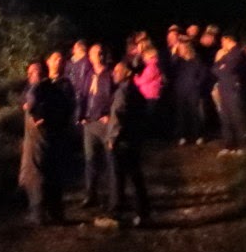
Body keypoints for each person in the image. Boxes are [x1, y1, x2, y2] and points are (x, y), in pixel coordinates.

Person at [97, 62, 152, 227]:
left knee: (117, 178)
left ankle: (115, 214)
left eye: (117, 70)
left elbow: (119, 116)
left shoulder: (123, 92)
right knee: (135, 177)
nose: (114, 73)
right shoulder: (135, 91)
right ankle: (143, 213)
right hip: (133, 139)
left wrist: (112, 138)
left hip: (122, 141)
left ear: (127, 73)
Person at [21, 59, 74, 224]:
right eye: (29, 72)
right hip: (50, 140)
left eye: (34, 71)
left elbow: (32, 104)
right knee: (51, 173)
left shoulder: (40, 89)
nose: (30, 75)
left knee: (35, 175)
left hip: (40, 139)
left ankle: (38, 214)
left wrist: (40, 116)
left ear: (43, 72)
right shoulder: (53, 89)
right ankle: (55, 212)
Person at [76, 42, 115, 207]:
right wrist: (81, 115)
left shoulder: (110, 75)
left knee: (110, 160)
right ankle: (90, 195)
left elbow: (115, 97)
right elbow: (83, 95)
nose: (97, 56)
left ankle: (113, 197)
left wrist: (109, 115)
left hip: (104, 123)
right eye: (93, 53)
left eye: (99, 53)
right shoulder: (89, 75)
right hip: (90, 122)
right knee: (90, 160)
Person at [213, 31, 246, 154]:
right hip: (224, 88)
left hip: (233, 88)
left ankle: (242, 145)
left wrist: (221, 67)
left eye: (222, 41)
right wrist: (221, 66)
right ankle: (229, 145)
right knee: (225, 117)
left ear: (228, 40)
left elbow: (229, 69)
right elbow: (214, 68)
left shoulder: (237, 53)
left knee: (236, 116)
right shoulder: (228, 54)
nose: (221, 44)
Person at [170, 39, 210, 144]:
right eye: (179, 48)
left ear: (187, 48)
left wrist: (197, 83)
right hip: (180, 90)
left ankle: (198, 135)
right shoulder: (178, 61)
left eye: (182, 48)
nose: (180, 50)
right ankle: (182, 136)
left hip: (193, 90)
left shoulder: (196, 59)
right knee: (181, 113)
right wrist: (174, 54)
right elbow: (171, 70)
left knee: (195, 112)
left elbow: (203, 72)